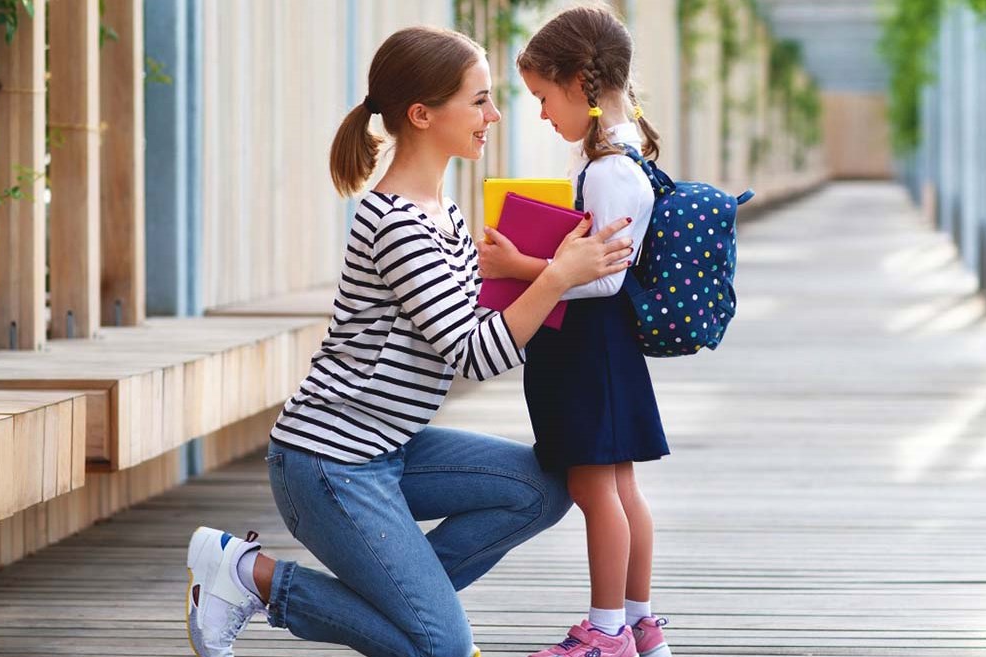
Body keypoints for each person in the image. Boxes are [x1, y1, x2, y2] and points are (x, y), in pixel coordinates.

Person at [183, 25, 635, 657]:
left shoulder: (443, 213)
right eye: (479, 100)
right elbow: (476, 354)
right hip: (329, 461)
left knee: (543, 489)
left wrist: (537, 271)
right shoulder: (396, 223)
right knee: (441, 649)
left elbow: (481, 324)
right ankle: (249, 577)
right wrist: (558, 276)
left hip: (393, 446)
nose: (495, 114)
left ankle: (408, 602)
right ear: (422, 115)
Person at [477, 6, 672, 657]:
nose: (539, 114)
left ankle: (606, 628)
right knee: (618, 488)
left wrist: (517, 264)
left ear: (576, 82)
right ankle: (637, 621)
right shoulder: (623, 154)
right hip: (600, 350)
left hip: (590, 349)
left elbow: (600, 278)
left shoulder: (610, 168)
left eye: (541, 96)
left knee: (597, 489)